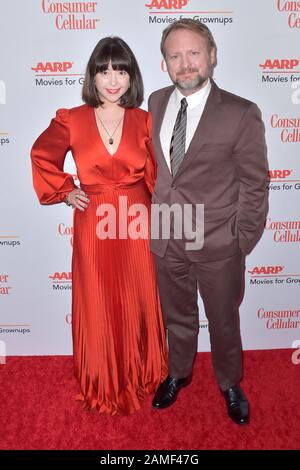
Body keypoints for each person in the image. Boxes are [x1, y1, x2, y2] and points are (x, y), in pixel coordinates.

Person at [31, 37, 167, 415]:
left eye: (120, 70)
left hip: (136, 219)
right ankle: (103, 379)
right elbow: (41, 154)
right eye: (103, 70)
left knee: (139, 296)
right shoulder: (71, 119)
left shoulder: (145, 120)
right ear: (92, 75)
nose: (112, 79)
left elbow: (161, 174)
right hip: (93, 220)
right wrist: (65, 190)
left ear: (131, 76)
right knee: (98, 299)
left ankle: (144, 372)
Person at [148, 19, 269, 424]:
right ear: (164, 62)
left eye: (194, 53)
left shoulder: (241, 112)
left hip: (219, 243)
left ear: (212, 56)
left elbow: (255, 183)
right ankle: (178, 373)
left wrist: (242, 239)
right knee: (176, 316)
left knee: (223, 320)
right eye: (175, 56)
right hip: (166, 237)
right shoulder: (156, 102)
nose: (185, 64)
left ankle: (230, 382)